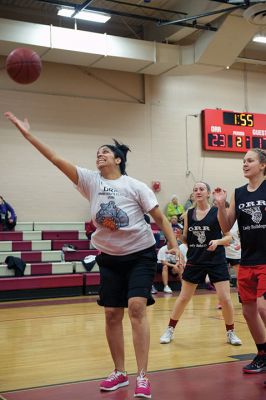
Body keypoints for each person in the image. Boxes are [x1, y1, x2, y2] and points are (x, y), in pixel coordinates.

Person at [5, 111, 180, 399]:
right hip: (109, 257)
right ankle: (120, 373)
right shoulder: (90, 180)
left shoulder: (135, 186)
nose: (99, 156)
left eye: (105, 153)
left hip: (140, 254)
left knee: (136, 307)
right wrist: (27, 134)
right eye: (97, 153)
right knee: (112, 314)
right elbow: (55, 159)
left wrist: (173, 245)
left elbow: (160, 219)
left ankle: (143, 376)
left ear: (118, 159)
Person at [160, 181, 242, 346]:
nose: (198, 191)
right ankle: (169, 329)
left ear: (208, 193)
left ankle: (231, 332)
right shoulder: (188, 214)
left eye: (201, 189)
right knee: (183, 298)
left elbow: (228, 236)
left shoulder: (217, 212)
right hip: (195, 259)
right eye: (195, 189)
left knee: (225, 299)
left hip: (216, 260)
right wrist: (178, 237)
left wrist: (218, 242)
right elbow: (186, 239)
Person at [213, 148, 266, 375]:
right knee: (248, 311)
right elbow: (226, 227)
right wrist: (220, 205)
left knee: (263, 307)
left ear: (262, 165)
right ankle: (262, 354)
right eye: (243, 161)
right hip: (248, 260)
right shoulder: (239, 193)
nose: (245, 164)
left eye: (250, 160)